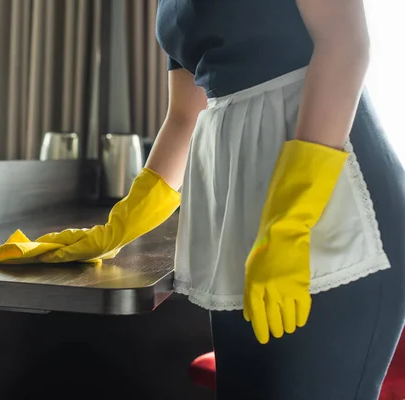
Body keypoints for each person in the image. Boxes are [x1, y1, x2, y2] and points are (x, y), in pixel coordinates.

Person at [37, 0, 405, 398]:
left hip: (338, 214)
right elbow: (184, 114)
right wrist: (121, 224)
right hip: (239, 228)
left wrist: (289, 223)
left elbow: (345, 44)